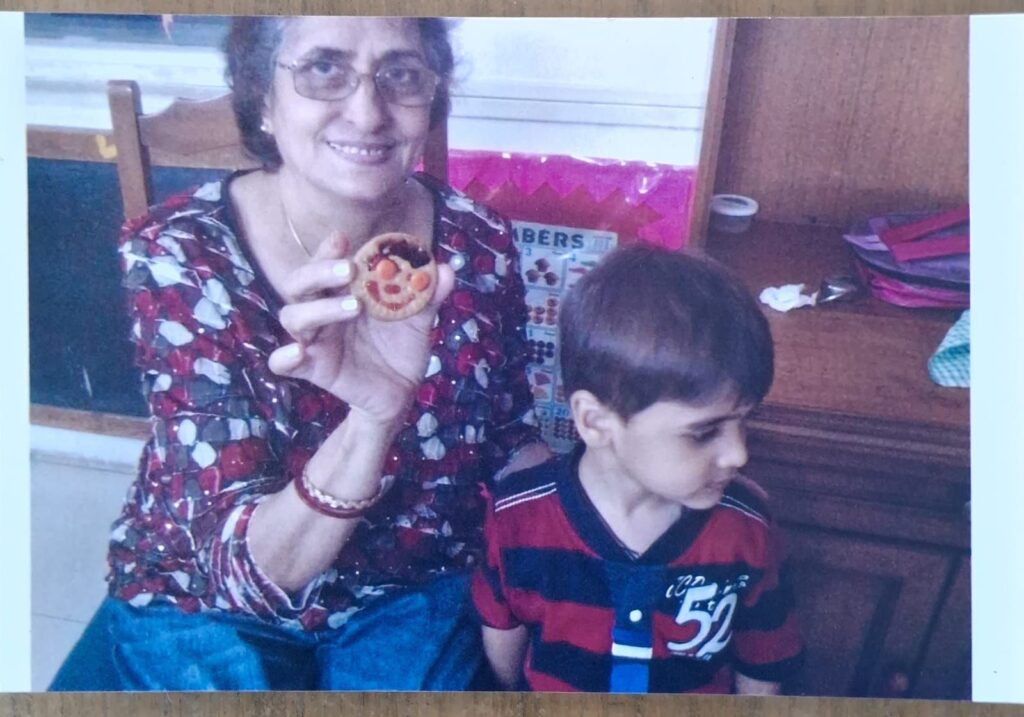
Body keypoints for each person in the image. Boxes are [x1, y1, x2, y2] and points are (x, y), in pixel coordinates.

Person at [50, 15, 549, 691]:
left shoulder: (479, 245)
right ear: (263, 94)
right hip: (210, 596)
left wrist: (619, 484)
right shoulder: (181, 255)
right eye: (324, 67)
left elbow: (511, 437)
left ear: (431, 95)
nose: (368, 112)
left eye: (400, 73)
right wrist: (372, 418)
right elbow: (248, 571)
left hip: (414, 583)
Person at [471, 245, 804, 694]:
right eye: (705, 431)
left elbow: (763, 661)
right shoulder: (518, 519)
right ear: (595, 421)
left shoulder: (745, 528)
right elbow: (502, 644)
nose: (739, 454)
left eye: (745, 421)